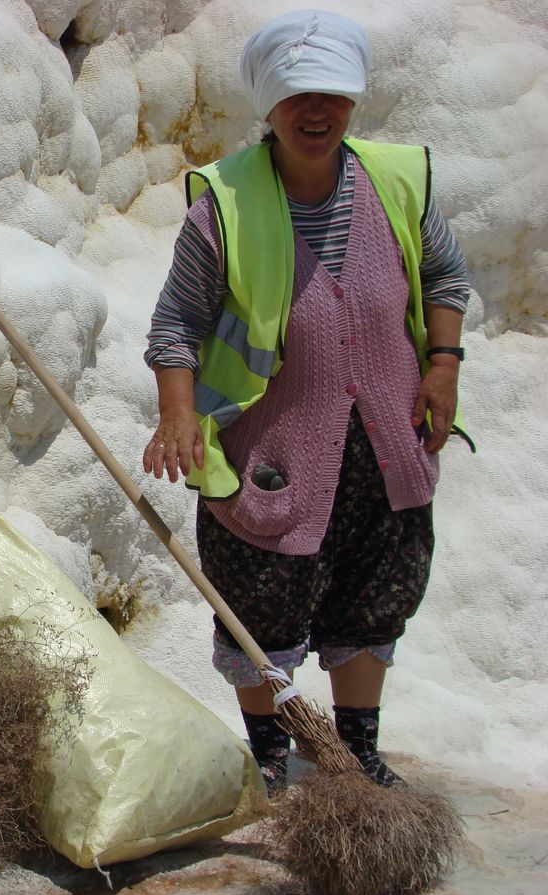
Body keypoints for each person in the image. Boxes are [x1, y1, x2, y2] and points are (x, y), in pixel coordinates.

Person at [143, 9, 473, 795]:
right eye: (296, 97)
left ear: (354, 100)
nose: (316, 112)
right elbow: (175, 324)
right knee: (261, 607)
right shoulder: (222, 205)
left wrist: (445, 364)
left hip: (386, 443)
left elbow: (447, 279)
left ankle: (358, 748)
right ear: (269, 106)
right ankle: (269, 749)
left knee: (374, 595)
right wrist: (178, 411)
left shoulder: (398, 182)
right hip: (272, 454)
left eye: (332, 94)